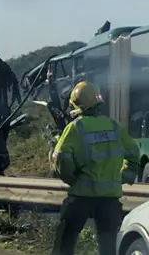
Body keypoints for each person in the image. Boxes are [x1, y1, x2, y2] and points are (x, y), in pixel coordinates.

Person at [50, 81, 140, 255]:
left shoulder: (75, 128)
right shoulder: (114, 126)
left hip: (82, 196)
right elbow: (133, 152)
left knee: (65, 242)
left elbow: (61, 160)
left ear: (77, 105)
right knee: (108, 247)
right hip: (110, 199)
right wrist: (123, 176)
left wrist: (72, 179)